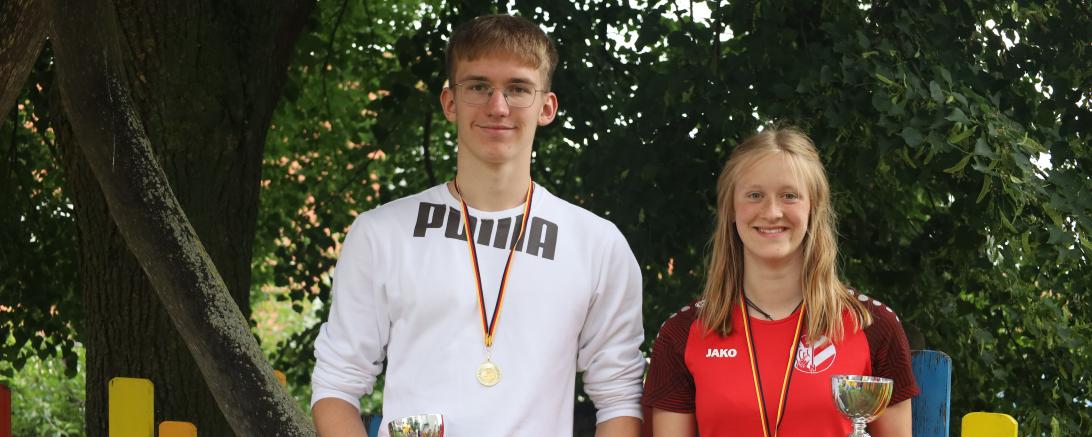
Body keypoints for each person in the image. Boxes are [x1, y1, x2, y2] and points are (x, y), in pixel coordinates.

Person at [310, 14, 646, 437]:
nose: (497, 106)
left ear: (546, 107)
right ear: (450, 102)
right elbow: (337, 384)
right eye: (478, 87)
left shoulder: (597, 245)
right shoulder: (381, 233)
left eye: (518, 88)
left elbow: (619, 396)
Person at [642, 127, 918, 436]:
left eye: (789, 196)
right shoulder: (682, 333)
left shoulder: (872, 324)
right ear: (730, 208)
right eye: (755, 195)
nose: (772, 212)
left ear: (813, 207)